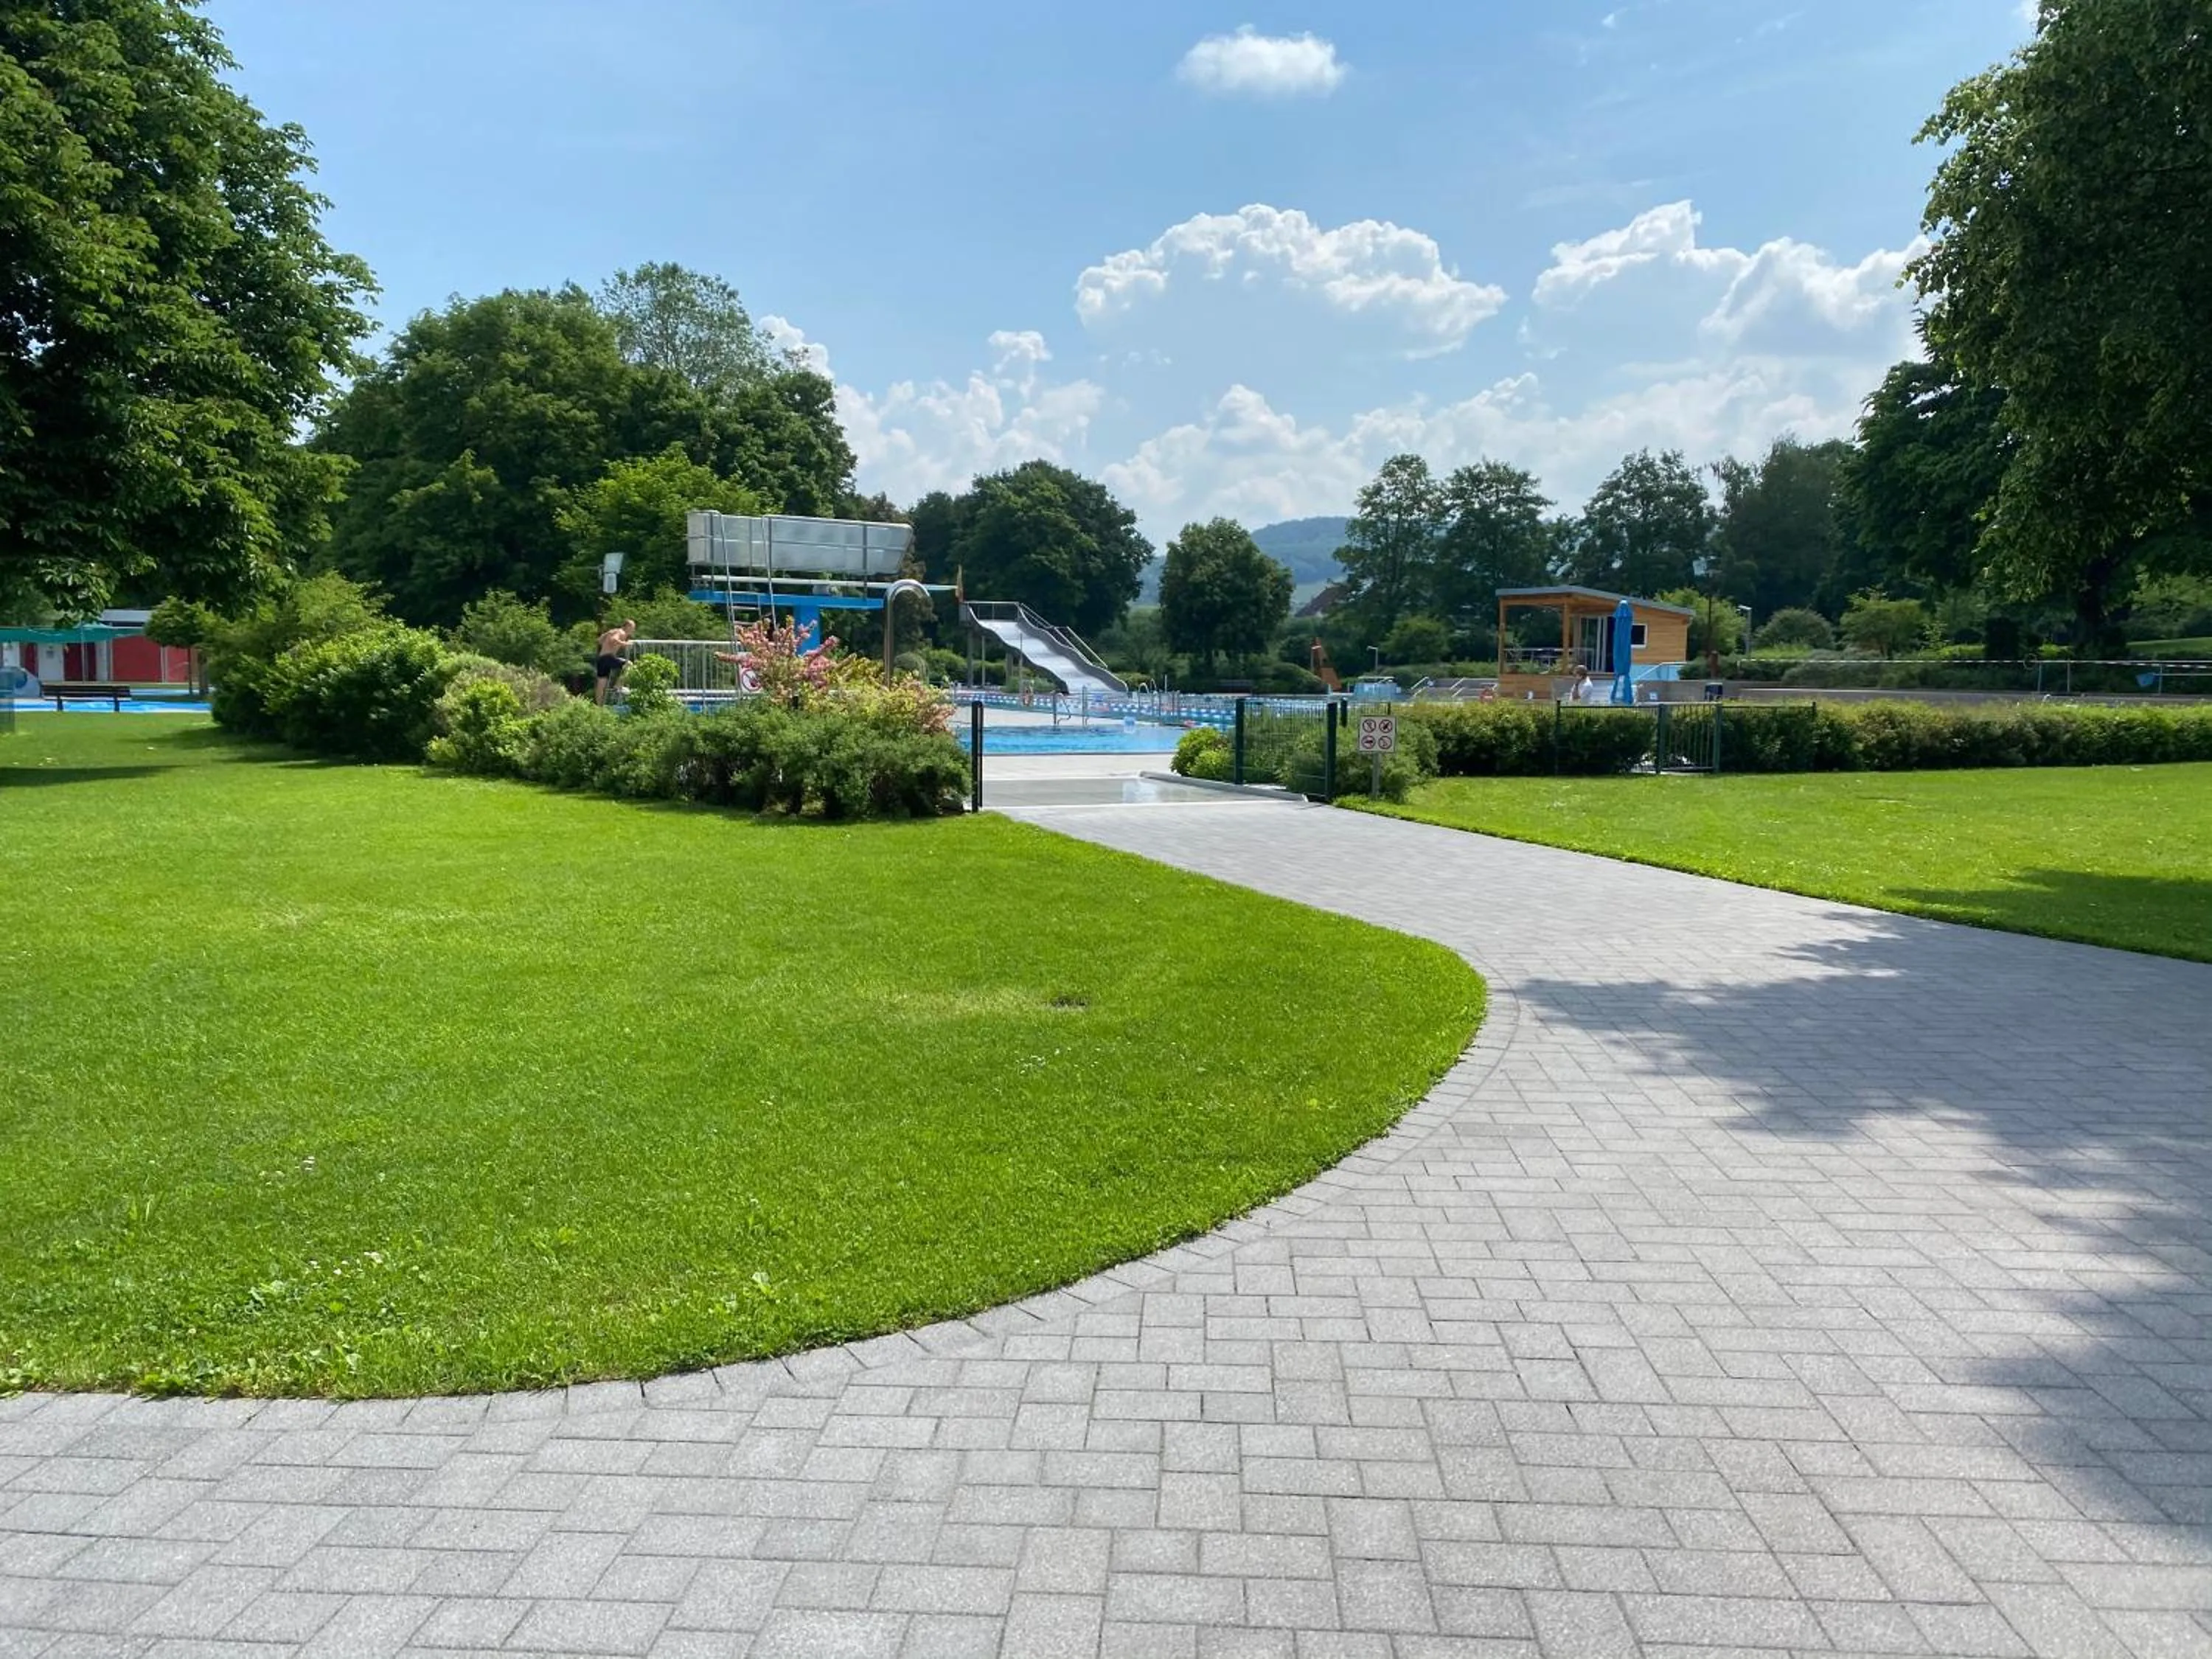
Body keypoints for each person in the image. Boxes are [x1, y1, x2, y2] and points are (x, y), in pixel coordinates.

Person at [594, 619, 636, 705]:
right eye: (633, 628)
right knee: (630, 665)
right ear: (627, 627)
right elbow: (613, 640)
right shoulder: (621, 632)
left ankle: (599, 707)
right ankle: (618, 685)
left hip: (601, 659)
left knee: (601, 684)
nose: (633, 630)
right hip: (608, 657)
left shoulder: (613, 631)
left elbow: (599, 640)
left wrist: (607, 634)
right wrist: (624, 644)